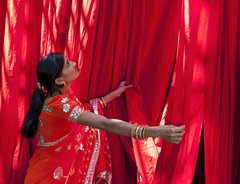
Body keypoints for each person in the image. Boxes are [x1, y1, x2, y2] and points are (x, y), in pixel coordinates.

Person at [22, 53, 185, 183]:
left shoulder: (58, 97)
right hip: (50, 177)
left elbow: (83, 109)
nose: (74, 63)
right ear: (59, 80)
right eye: (67, 64)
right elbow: (107, 125)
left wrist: (112, 95)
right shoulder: (59, 105)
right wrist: (153, 131)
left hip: (52, 171)